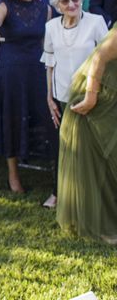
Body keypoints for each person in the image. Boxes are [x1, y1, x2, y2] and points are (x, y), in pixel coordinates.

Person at [0, 0, 57, 194]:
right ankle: (13, 176)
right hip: (11, 72)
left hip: (38, 69)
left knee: (47, 119)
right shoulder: (5, 5)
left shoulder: (45, 8)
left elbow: (50, 39)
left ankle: (55, 173)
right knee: (12, 121)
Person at [40, 0, 107, 209]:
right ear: (57, 5)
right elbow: (49, 63)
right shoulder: (51, 28)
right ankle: (58, 193)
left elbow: (107, 60)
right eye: (65, 1)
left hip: (92, 95)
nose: (72, 4)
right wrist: (49, 97)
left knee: (93, 148)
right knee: (61, 147)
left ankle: (96, 197)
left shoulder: (96, 22)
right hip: (61, 97)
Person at [57, 24, 117, 243]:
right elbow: (100, 57)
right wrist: (91, 97)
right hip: (100, 97)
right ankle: (102, 225)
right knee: (101, 156)